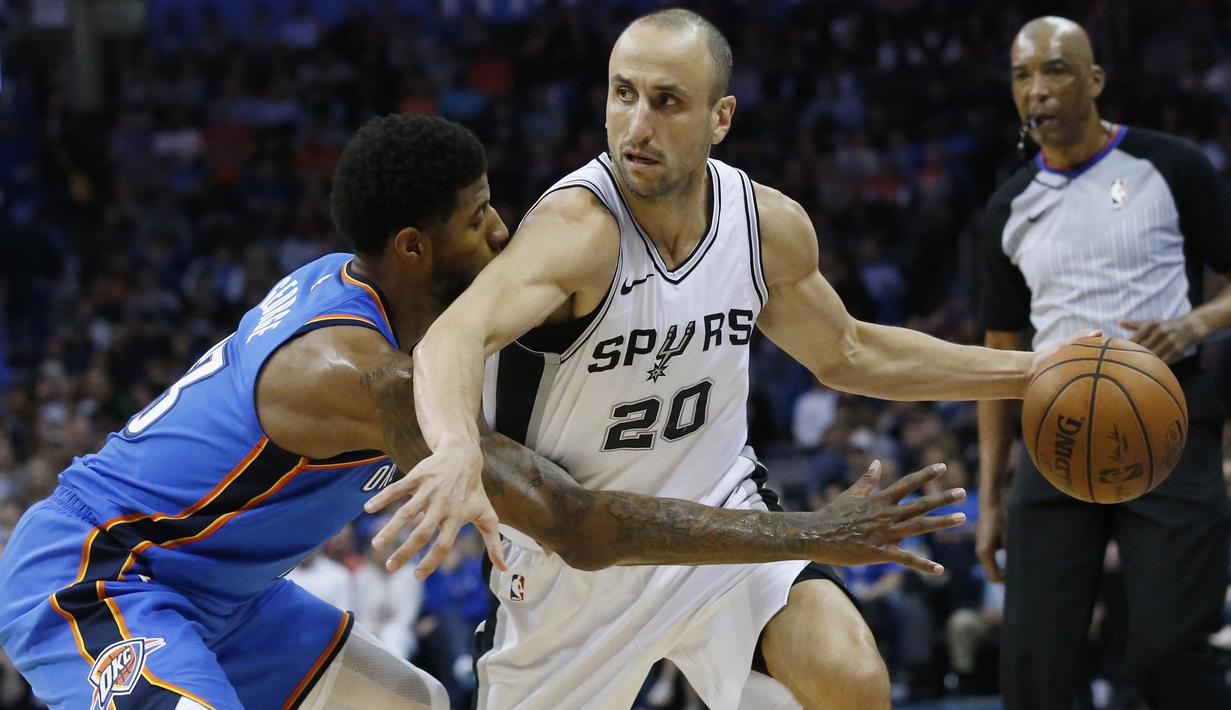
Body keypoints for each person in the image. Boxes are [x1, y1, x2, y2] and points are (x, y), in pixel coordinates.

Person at [0, 113, 963, 710]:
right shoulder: (359, 376)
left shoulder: (410, 313)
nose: (504, 229)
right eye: (479, 216)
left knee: (410, 706)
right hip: (98, 570)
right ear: (415, 247)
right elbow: (581, 527)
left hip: (225, 597)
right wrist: (810, 532)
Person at [399, 10, 1080, 710]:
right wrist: (454, 448)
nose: (636, 125)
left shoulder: (763, 226)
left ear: (719, 117)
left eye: (666, 101)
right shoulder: (577, 229)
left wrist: (1036, 370)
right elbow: (453, 337)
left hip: (721, 531)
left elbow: (848, 352)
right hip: (567, 563)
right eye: (622, 93)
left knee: (850, 678)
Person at [976, 16, 1231, 710]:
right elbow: (996, 361)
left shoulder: (1170, 167)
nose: (1037, 90)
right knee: (1031, 669)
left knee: (1167, 654)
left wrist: (1194, 323)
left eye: (1055, 70)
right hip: (1054, 435)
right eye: (1022, 76)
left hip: (1167, 422)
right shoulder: (1006, 209)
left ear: (1092, 80)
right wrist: (991, 497)